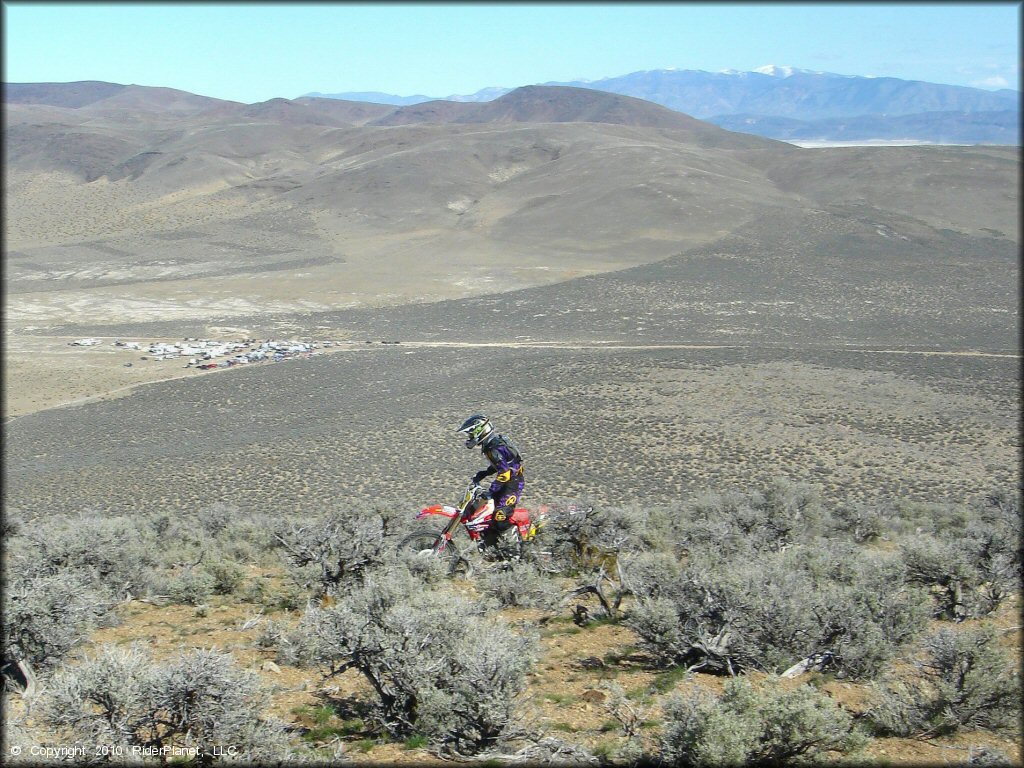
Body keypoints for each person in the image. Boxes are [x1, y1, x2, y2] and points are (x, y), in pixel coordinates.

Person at [456, 414, 525, 548]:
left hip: (513, 483)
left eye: (471, 434)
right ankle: (494, 546)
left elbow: (505, 473)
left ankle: (515, 550)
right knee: (486, 514)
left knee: (500, 516)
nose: (469, 438)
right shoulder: (490, 444)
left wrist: (491, 490)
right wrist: (484, 473)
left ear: (479, 432)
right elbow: (501, 465)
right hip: (508, 481)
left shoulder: (493, 448)